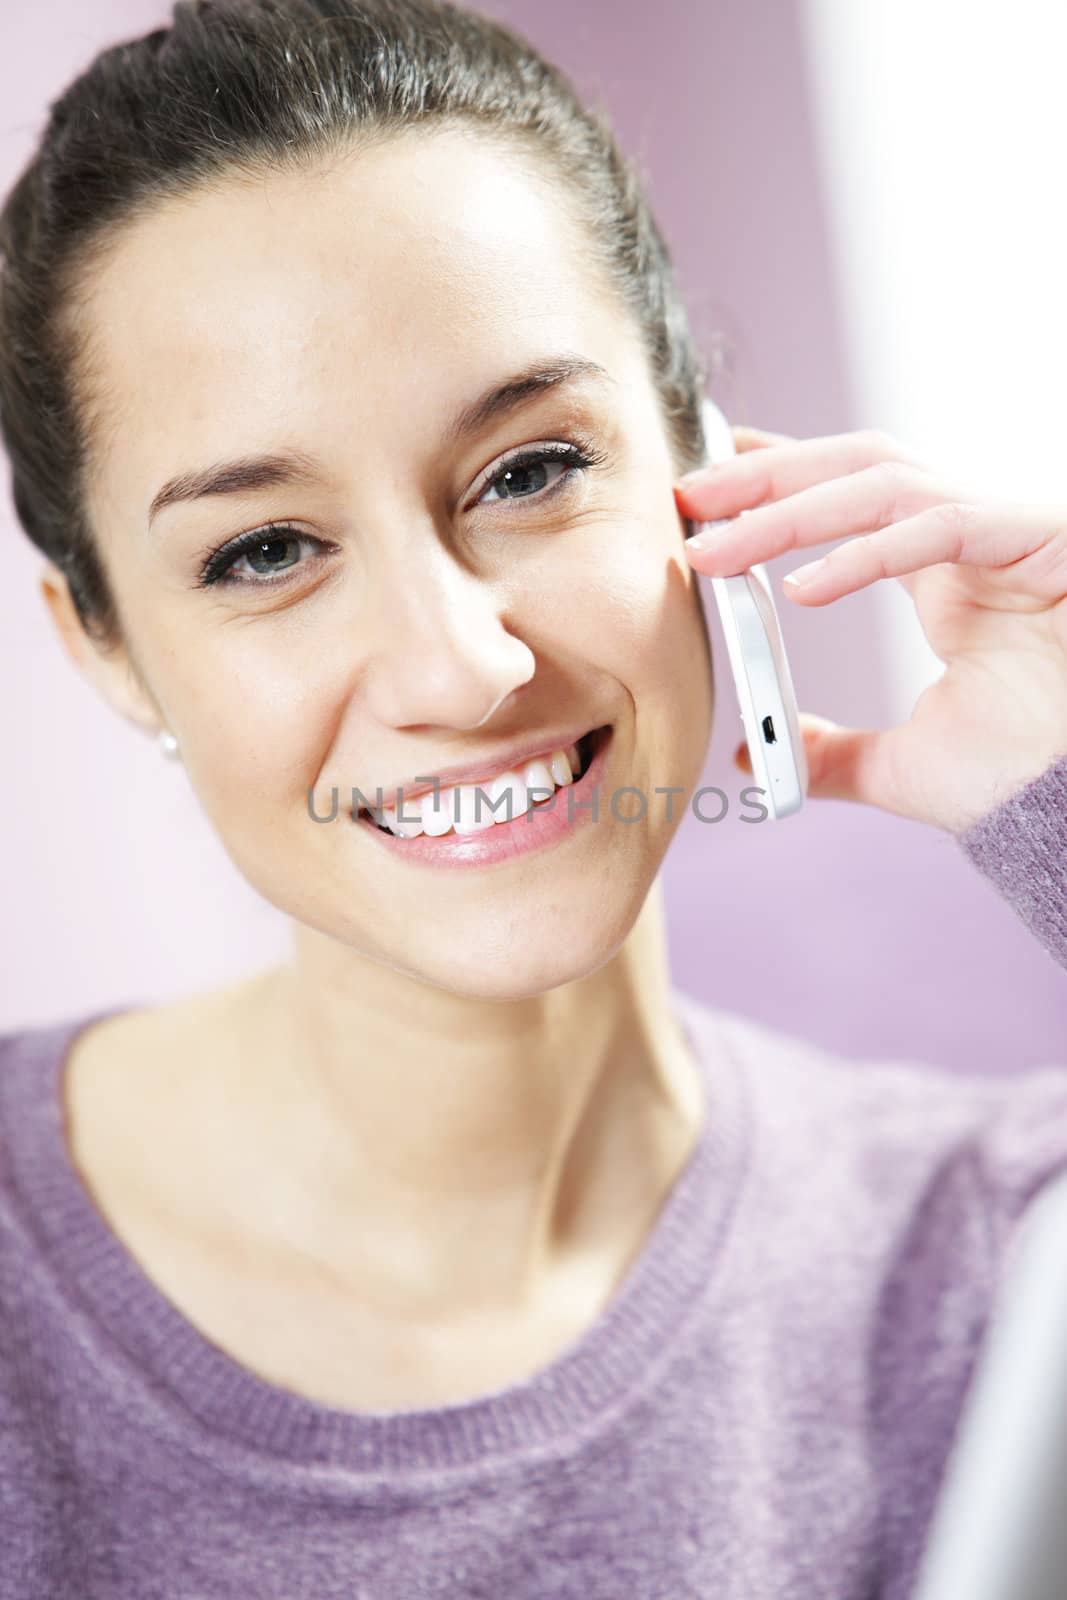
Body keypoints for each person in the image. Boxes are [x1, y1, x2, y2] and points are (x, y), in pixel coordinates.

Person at [0, 1, 1065, 1595]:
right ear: (111, 655)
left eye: (528, 471)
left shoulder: (1000, 1263)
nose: (457, 664)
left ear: (706, 462)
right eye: (264, 551)